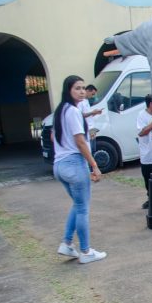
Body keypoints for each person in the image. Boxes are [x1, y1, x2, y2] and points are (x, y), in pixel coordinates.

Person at [52, 75, 107, 264]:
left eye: (83, 88)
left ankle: (67, 243)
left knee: (78, 205)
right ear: (68, 90)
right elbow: (80, 141)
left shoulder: (61, 111)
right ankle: (85, 251)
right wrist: (94, 165)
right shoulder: (73, 111)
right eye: (77, 88)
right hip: (74, 164)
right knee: (82, 208)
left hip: (59, 165)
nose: (82, 91)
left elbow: (53, 137)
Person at [136, 94, 152, 209]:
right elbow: (141, 132)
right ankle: (150, 199)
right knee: (148, 179)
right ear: (151, 104)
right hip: (148, 155)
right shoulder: (141, 115)